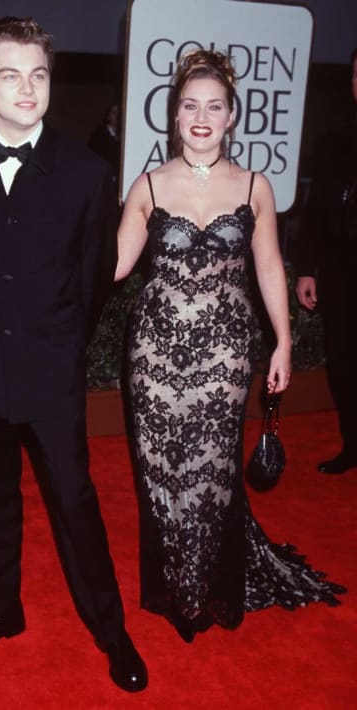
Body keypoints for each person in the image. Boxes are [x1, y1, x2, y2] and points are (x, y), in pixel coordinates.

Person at [0, 17, 147, 693]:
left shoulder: (87, 173)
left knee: (76, 503)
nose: (27, 88)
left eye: (39, 74)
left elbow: (93, 282)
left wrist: (57, 347)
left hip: (52, 372)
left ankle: (110, 631)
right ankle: (2, 613)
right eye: (10, 74)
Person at [116, 49, 345, 642]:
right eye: (190, 105)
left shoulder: (253, 185)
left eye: (214, 106)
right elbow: (115, 265)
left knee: (212, 465)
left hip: (224, 348)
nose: (201, 116)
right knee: (160, 468)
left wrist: (284, 341)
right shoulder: (147, 185)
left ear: (232, 116)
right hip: (154, 350)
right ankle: (174, 585)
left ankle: (207, 589)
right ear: (173, 115)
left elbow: (269, 265)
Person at [296, 48, 357, 475]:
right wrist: (305, 267)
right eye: (356, 76)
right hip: (340, 270)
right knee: (342, 365)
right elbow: (316, 210)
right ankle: (353, 446)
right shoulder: (334, 141)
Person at [88, 102, 121, 186]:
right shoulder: (100, 135)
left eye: (119, 113)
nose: (116, 116)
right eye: (114, 113)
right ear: (108, 115)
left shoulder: (121, 135)